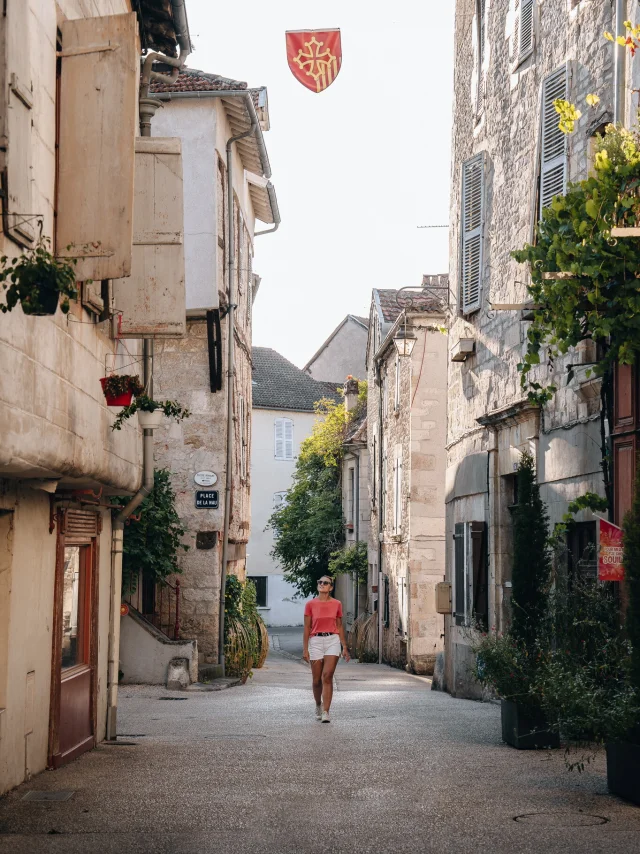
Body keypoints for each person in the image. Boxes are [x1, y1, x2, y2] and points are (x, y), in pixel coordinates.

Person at [302, 575, 350, 722]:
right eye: (320, 582)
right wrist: (305, 649)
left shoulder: (337, 604)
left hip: (332, 640)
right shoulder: (310, 604)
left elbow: (339, 625)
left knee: (327, 676)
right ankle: (318, 704)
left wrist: (344, 646)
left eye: (325, 583)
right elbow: (307, 627)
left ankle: (326, 712)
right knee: (316, 680)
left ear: (331, 587)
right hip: (315, 640)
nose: (322, 584)